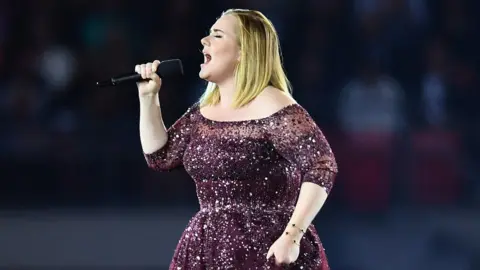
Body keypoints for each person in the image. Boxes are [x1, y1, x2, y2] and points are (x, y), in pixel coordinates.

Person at [135, 8, 338, 270]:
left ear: (244, 51)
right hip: (206, 248)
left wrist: (292, 236)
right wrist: (148, 97)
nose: (203, 41)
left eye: (217, 36)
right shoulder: (202, 111)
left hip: (265, 248)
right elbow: (159, 157)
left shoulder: (273, 105)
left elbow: (322, 166)